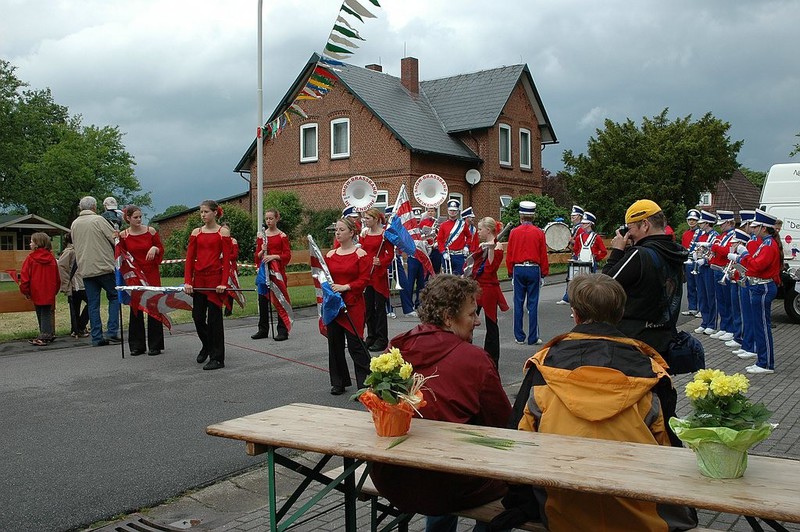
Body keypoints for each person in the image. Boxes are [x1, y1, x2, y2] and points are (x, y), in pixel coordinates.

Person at [510, 273, 698, 532]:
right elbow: (671, 450)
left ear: (575, 314)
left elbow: (518, 439)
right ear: (620, 315)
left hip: (562, 511)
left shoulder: (543, 367)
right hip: (640, 517)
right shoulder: (652, 372)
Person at [369, 274, 512, 532]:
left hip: (392, 478)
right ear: (448, 317)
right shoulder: (475, 360)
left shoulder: (397, 350)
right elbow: (503, 425)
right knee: (512, 485)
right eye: (472, 314)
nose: (478, 321)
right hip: (446, 486)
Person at [601, 199, 687, 445]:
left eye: (630, 228)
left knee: (635, 407)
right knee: (661, 401)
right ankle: (669, 445)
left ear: (645, 225)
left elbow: (604, 287)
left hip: (634, 344)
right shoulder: (674, 252)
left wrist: (618, 251)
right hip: (663, 339)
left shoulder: (639, 255)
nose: (628, 234)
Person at [325, 217, 372, 395]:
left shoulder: (361, 254)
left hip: (353, 303)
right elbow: (325, 278)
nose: (337, 233)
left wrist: (346, 286)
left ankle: (365, 383)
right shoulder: (330, 255)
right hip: (334, 305)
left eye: (342, 229)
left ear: (351, 232)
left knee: (356, 344)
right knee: (334, 344)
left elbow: (364, 280)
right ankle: (339, 382)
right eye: (336, 229)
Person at [731, 209, 781, 374]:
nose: (752, 229)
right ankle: (762, 360)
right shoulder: (765, 243)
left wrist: (743, 255)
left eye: (755, 226)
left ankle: (766, 363)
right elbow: (753, 263)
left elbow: (756, 265)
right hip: (759, 286)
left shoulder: (768, 245)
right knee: (759, 325)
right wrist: (743, 257)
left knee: (762, 327)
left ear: (763, 228)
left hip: (763, 286)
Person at [184, 200, 232, 370]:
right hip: (199, 280)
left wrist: (223, 283)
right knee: (197, 317)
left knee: (214, 320)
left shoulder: (222, 232)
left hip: (215, 280)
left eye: (206, 211)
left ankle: (217, 358)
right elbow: (190, 259)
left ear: (215, 213)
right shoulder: (196, 232)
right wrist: (188, 281)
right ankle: (207, 345)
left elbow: (227, 261)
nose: (203, 215)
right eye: (201, 212)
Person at [70, 196, 121, 347]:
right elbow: (114, 238)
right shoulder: (99, 220)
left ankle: (97, 336)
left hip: (86, 268)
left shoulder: (75, 224)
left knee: (93, 303)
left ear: (81, 208)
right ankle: (112, 331)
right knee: (114, 296)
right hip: (103, 266)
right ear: (94, 207)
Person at [117, 205, 164, 356]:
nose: (138, 220)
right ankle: (137, 345)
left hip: (151, 272)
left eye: (140, 217)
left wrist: (155, 249)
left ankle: (155, 344)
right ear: (128, 218)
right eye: (135, 217)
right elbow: (121, 255)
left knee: (153, 305)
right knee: (136, 308)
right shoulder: (124, 235)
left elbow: (160, 248)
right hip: (135, 274)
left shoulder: (151, 231)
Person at [505, 200, 549, 345]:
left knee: (518, 303)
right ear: (533, 216)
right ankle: (533, 337)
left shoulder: (514, 232)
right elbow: (543, 254)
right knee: (533, 303)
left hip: (518, 268)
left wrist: (510, 272)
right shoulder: (539, 232)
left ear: (521, 216)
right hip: (533, 268)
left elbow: (510, 253)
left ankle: (519, 336)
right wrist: (543, 273)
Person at [471, 217, 509, 367]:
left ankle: (492, 360)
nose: (478, 232)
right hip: (477, 287)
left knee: (491, 324)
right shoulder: (482, 245)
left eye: (480, 229)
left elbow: (490, 269)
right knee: (468, 321)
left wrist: (491, 250)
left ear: (488, 230)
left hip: (489, 289)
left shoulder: (497, 246)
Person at [252, 209, 292, 341]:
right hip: (264, 273)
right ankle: (263, 329)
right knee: (263, 300)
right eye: (267, 219)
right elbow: (257, 256)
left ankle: (282, 330)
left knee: (280, 299)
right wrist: (262, 251)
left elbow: (287, 255)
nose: (268, 221)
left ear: (276, 219)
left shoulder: (282, 236)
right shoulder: (261, 236)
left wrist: (274, 256)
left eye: (271, 218)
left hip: (277, 272)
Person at [360, 207, 394, 352]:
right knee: (368, 307)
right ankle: (371, 336)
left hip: (378, 275)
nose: (365, 220)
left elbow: (390, 254)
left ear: (375, 219)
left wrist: (381, 261)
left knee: (379, 308)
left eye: (368, 218)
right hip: (367, 273)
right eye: (364, 218)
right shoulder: (364, 233)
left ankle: (381, 338)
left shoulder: (384, 235)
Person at [19, 232, 60, 346]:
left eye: (31, 242)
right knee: (46, 311)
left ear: (37, 244)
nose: (30, 244)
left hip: (36, 290)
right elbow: (57, 277)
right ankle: (47, 332)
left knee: (40, 311)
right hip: (49, 290)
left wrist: (25, 290)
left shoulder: (31, 258)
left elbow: (25, 277)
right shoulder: (52, 259)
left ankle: (44, 335)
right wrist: (55, 290)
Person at [708, 210, 736, 342]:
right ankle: (724, 326)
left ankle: (730, 329)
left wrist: (715, 247)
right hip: (717, 269)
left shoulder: (734, 236)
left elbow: (727, 251)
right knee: (721, 301)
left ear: (729, 223)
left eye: (722, 224)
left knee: (728, 301)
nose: (720, 226)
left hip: (726, 270)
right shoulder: (722, 236)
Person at [57, 232, 89, 338]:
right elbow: (62, 267)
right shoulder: (71, 251)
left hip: (78, 283)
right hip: (77, 283)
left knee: (75, 307)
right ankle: (79, 327)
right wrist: (66, 284)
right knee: (91, 303)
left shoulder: (73, 250)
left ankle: (76, 328)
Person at [692, 210, 719, 335]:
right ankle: (705, 321)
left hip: (709, 268)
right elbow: (698, 248)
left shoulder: (715, 235)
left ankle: (712, 324)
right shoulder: (701, 235)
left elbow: (714, 252)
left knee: (710, 296)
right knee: (702, 295)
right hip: (701, 267)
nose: (700, 225)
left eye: (702, 223)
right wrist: (695, 255)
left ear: (707, 223)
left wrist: (705, 260)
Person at [557, 205, 585, 305]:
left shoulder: (580, 228)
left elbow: (582, 242)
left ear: (580, 216)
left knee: (574, 277)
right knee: (571, 276)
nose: (572, 216)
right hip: (575, 254)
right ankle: (567, 297)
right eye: (572, 215)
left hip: (579, 255)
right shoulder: (575, 228)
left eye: (575, 215)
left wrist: (571, 241)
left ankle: (570, 298)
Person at [437, 199, 470, 275]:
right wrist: (443, 252)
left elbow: (469, 236)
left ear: (458, 211)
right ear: (448, 211)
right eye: (451, 210)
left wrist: (467, 246)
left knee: (460, 277)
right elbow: (440, 241)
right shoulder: (443, 225)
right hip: (448, 255)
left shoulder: (462, 224)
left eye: (454, 210)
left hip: (460, 255)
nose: (452, 212)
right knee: (447, 278)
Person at [680, 209, 702, 317]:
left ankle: (702, 309)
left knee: (700, 286)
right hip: (688, 263)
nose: (692, 222)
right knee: (690, 286)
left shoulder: (701, 233)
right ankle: (692, 308)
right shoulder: (685, 234)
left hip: (697, 262)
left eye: (694, 220)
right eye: (690, 220)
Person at [420, 206, 442, 273]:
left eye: (432, 211)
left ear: (435, 212)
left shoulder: (438, 222)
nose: (430, 213)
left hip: (435, 249)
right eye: (428, 211)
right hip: (426, 249)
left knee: (436, 270)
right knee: (426, 270)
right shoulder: (423, 222)